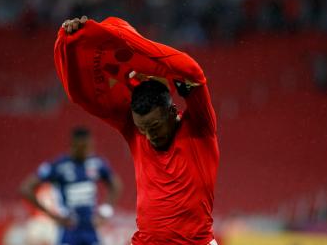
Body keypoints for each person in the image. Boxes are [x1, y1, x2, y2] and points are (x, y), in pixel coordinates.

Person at [56, 15, 219, 245]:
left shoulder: (200, 127)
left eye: (154, 126)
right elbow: (86, 96)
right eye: (143, 129)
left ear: (171, 111)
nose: (149, 135)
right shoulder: (134, 131)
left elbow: (192, 73)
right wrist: (74, 44)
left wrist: (133, 46)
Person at [20, 127, 122, 245]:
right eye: (84, 147)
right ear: (74, 145)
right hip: (68, 229)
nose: (87, 150)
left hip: (90, 227)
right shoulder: (59, 166)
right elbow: (26, 188)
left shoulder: (96, 163)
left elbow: (116, 185)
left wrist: (105, 211)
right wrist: (53, 216)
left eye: (90, 146)